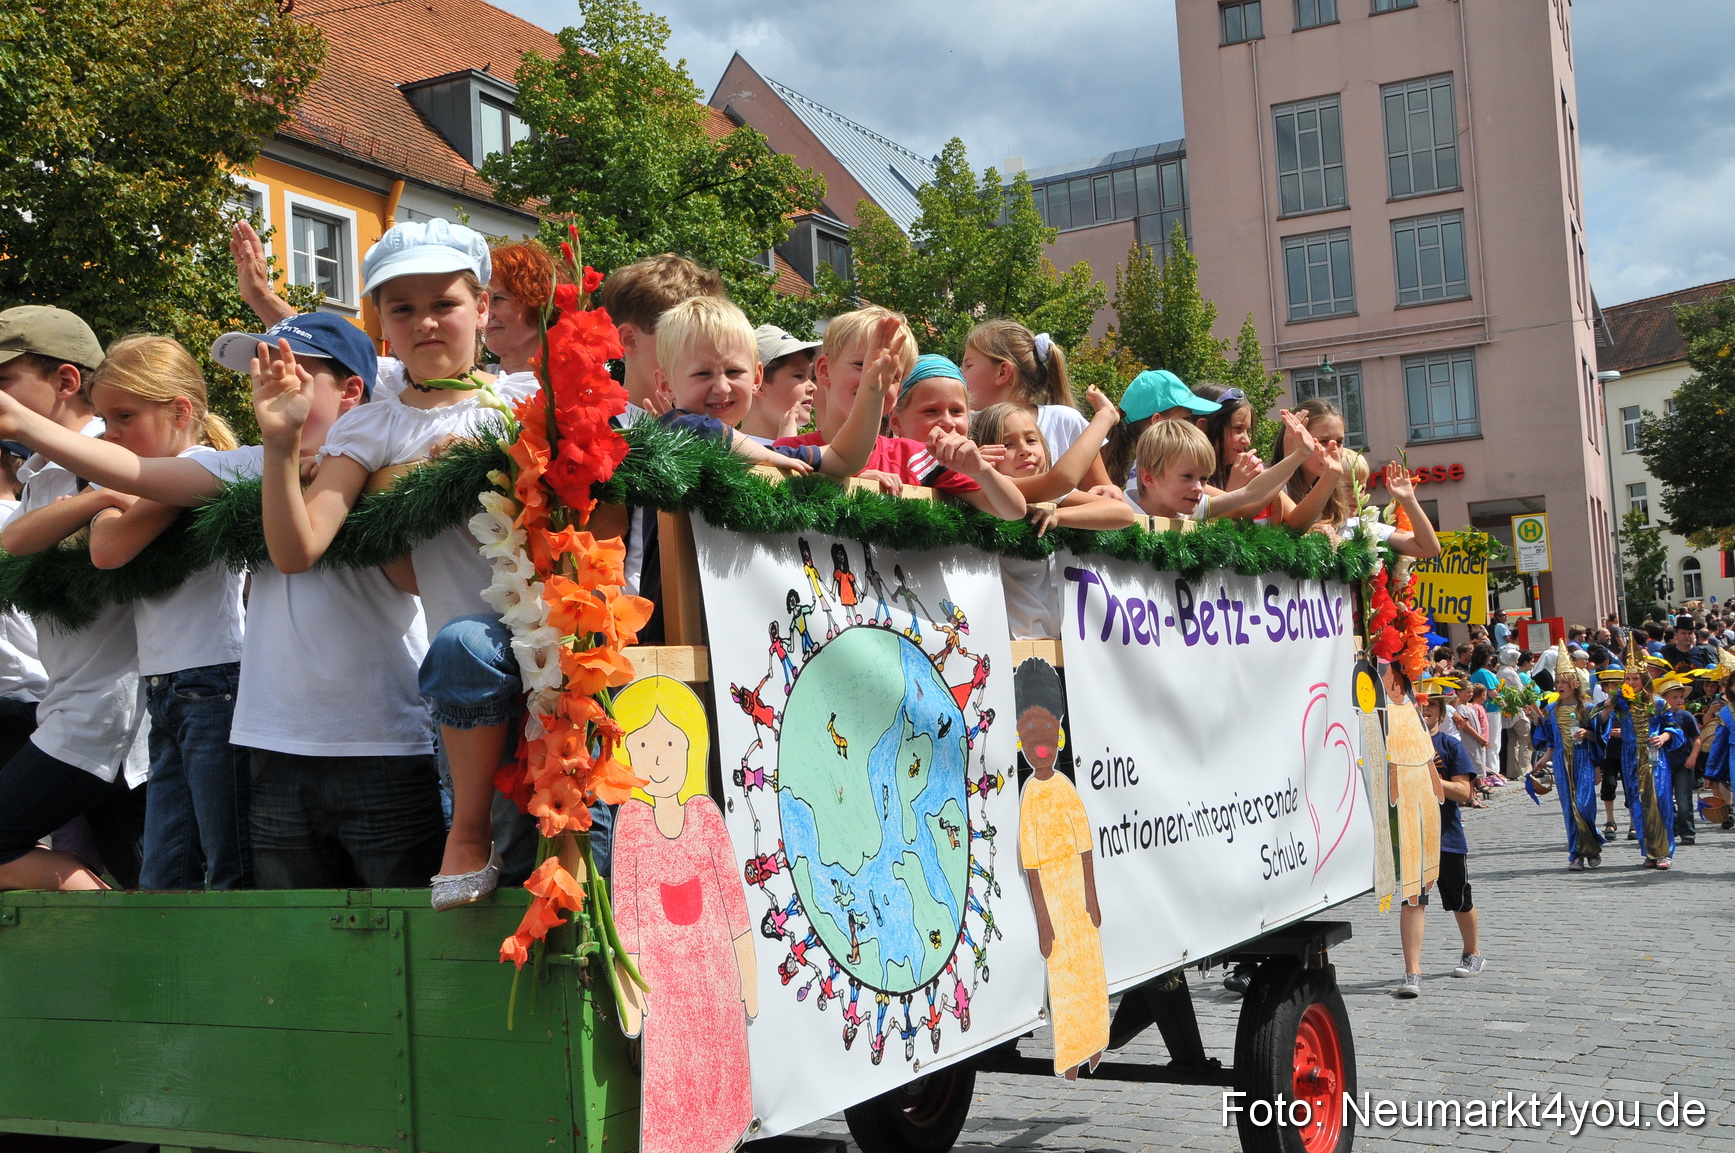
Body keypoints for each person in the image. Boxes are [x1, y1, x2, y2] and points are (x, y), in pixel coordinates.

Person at [74, 335, 251, 890]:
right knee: (166, 870)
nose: (112, 434)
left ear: (180, 411)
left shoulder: (197, 465)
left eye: (124, 416)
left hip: (211, 681)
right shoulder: (167, 474)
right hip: (175, 686)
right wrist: (109, 501)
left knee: (228, 863)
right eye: (104, 419)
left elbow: (107, 550)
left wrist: (104, 505)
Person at [0, 306, 148, 892]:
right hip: (76, 711)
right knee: (151, 885)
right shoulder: (43, 474)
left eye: (4, 381)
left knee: (163, 888)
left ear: (65, 381)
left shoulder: (109, 459)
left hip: (112, 718)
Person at [611, 675, 756, 1153]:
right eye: (643, 743)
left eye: (671, 742)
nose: (657, 758)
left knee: (723, 1097)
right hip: (665, 991)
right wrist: (631, 997)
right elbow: (626, 921)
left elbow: (736, 911)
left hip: (715, 984)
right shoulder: (630, 824)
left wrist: (747, 984)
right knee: (672, 1096)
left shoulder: (706, 816)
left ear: (692, 747)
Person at [775, 308, 1026, 521]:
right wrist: (850, 484)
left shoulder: (915, 458)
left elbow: (1013, 510)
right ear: (824, 370)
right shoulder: (788, 450)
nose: (876, 378)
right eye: (862, 365)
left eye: (892, 374)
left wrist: (980, 469)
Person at [651, 296, 880, 476]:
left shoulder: (770, 452)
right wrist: (769, 458)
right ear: (666, 385)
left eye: (734, 372)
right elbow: (699, 431)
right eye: (702, 373)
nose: (722, 387)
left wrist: (872, 395)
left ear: (756, 378)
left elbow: (842, 458)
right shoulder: (672, 429)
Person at [1014, 658, 1108, 1078]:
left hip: (1077, 898)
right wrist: (1044, 921)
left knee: (1089, 973)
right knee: (1064, 982)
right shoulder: (1030, 795)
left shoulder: (1066, 787)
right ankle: (1070, 1054)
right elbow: (1030, 863)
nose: (1039, 741)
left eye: (1046, 731)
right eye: (1030, 731)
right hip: (1051, 897)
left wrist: (1091, 895)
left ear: (1059, 734)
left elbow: (1085, 844)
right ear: (1020, 738)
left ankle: (1095, 1045)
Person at [969, 403, 1136, 639]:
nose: (1025, 450)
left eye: (1031, 440)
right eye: (1008, 444)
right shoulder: (994, 486)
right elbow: (1063, 478)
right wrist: (1105, 417)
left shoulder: (1050, 497)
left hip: (1049, 635)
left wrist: (1058, 516)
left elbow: (1123, 513)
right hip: (1006, 637)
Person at [1395, 682, 1484, 998]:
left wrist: (1432, 778)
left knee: (1460, 899)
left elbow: (1464, 792)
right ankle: (1412, 972)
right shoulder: (1399, 745)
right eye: (1419, 703)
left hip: (1447, 836)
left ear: (1441, 712)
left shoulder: (1449, 745)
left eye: (1431, 704)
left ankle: (1472, 951)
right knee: (1413, 900)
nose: (1425, 708)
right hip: (1413, 835)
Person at [960, 320, 1112, 491]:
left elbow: (1103, 493)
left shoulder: (1065, 420)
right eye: (1008, 444)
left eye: (968, 365)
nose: (960, 373)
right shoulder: (964, 426)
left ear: (1002, 372)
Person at [1130, 411, 1327, 523]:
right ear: (1149, 478)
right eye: (1187, 476)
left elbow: (1251, 493)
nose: (1199, 488)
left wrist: (1300, 454)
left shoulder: (1194, 510)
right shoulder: (1121, 513)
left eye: (1204, 479)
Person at [1601, 655, 1682, 868]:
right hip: (1630, 756)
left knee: (1659, 799)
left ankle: (1664, 852)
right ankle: (1649, 850)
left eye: (1635, 678)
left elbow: (1673, 727)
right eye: (1627, 678)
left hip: (1654, 755)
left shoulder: (1657, 702)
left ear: (1644, 679)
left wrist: (1664, 737)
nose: (1631, 682)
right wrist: (1610, 704)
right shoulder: (1622, 703)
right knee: (1638, 803)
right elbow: (1597, 717)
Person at [1531, 643, 1605, 870]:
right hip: (1563, 761)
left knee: (1583, 806)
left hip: (1582, 759)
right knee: (1569, 808)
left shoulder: (1588, 707)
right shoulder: (1552, 709)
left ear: (1574, 684)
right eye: (1557, 682)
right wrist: (1544, 758)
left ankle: (1592, 846)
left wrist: (1589, 734)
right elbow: (1552, 740)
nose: (1559, 686)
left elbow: (1599, 737)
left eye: (1563, 682)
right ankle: (1576, 854)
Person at [1098, 368, 1218, 495]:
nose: (1193, 427)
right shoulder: (1162, 475)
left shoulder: (1144, 469)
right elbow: (1235, 506)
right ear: (1157, 422)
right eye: (1186, 419)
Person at [740, 325, 819, 442]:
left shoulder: (816, 453)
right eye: (799, 376)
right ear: (758, 383)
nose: (813, 387)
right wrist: (787, 450)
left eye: (810, 377)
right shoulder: (723, 454)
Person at [1655, 675, 1699, 847]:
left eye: (1681, 697)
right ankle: (1670, 829)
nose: (1679, 700)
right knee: (1664, 798)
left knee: (1683, 799)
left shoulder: (1685, 716)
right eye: (1675, 697)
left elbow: (1697, 738)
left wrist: (1693, 757)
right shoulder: (1657, 716)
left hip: (1683, 763)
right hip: (1663, 762)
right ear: (1664, 699)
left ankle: (1687, 832)